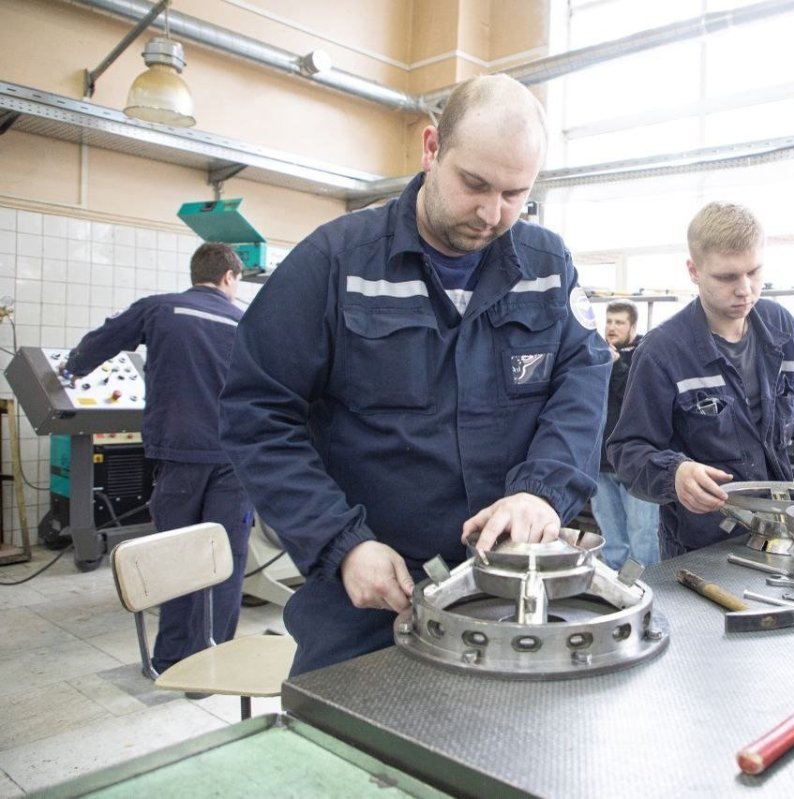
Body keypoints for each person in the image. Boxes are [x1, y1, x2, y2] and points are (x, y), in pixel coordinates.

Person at [218, 74, 612, 676]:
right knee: (344, 753)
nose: (490, 213)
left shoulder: (548, 265)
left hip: (505, 588)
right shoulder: (334, 264)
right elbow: (257, 414)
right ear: (431, 149)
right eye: (474, 184)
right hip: (369, 595)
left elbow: (582, 378)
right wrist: (341, 544)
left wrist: (542, 490)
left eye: (515, 194)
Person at [608, 201, 794, 558]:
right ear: (694, 270)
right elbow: (628, 450)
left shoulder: (782, 328)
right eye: (727, 277)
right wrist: (674, 474)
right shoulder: (663, 352)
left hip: (783, 531)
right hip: (703, 547)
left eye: (754, 272)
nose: (745, 290)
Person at [63, 242, 250, 675]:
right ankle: (216, 658)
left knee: (177, 556)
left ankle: (170, 661)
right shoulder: (245, 321)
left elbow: (101, 342)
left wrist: (72, 367)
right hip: (234, 458)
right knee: (224, 557)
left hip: (180, 453)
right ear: (228, 277)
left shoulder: (161, 309)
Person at [591, 301, 660, 568]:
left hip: (636, 463)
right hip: (601, 464)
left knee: (643, 536)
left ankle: (652, 597)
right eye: (609, 321)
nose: (612, 327)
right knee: (611, 540)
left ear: (633, 326)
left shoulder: (645, 355)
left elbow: (639, 401)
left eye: (619, 322)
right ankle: (616, 599)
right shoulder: (597, 354)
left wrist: (617, 366)